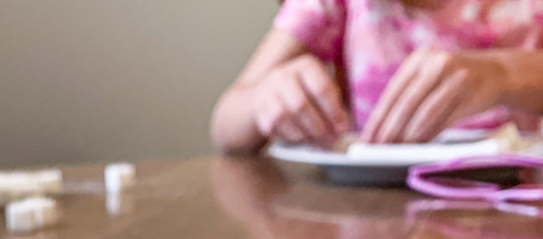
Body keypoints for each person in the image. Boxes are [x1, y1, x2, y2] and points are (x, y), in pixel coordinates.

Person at [211, 0, 543, 155]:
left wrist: (504, 73)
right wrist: (265, 98)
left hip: (512, 221)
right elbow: (225, 121)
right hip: (374, 222)